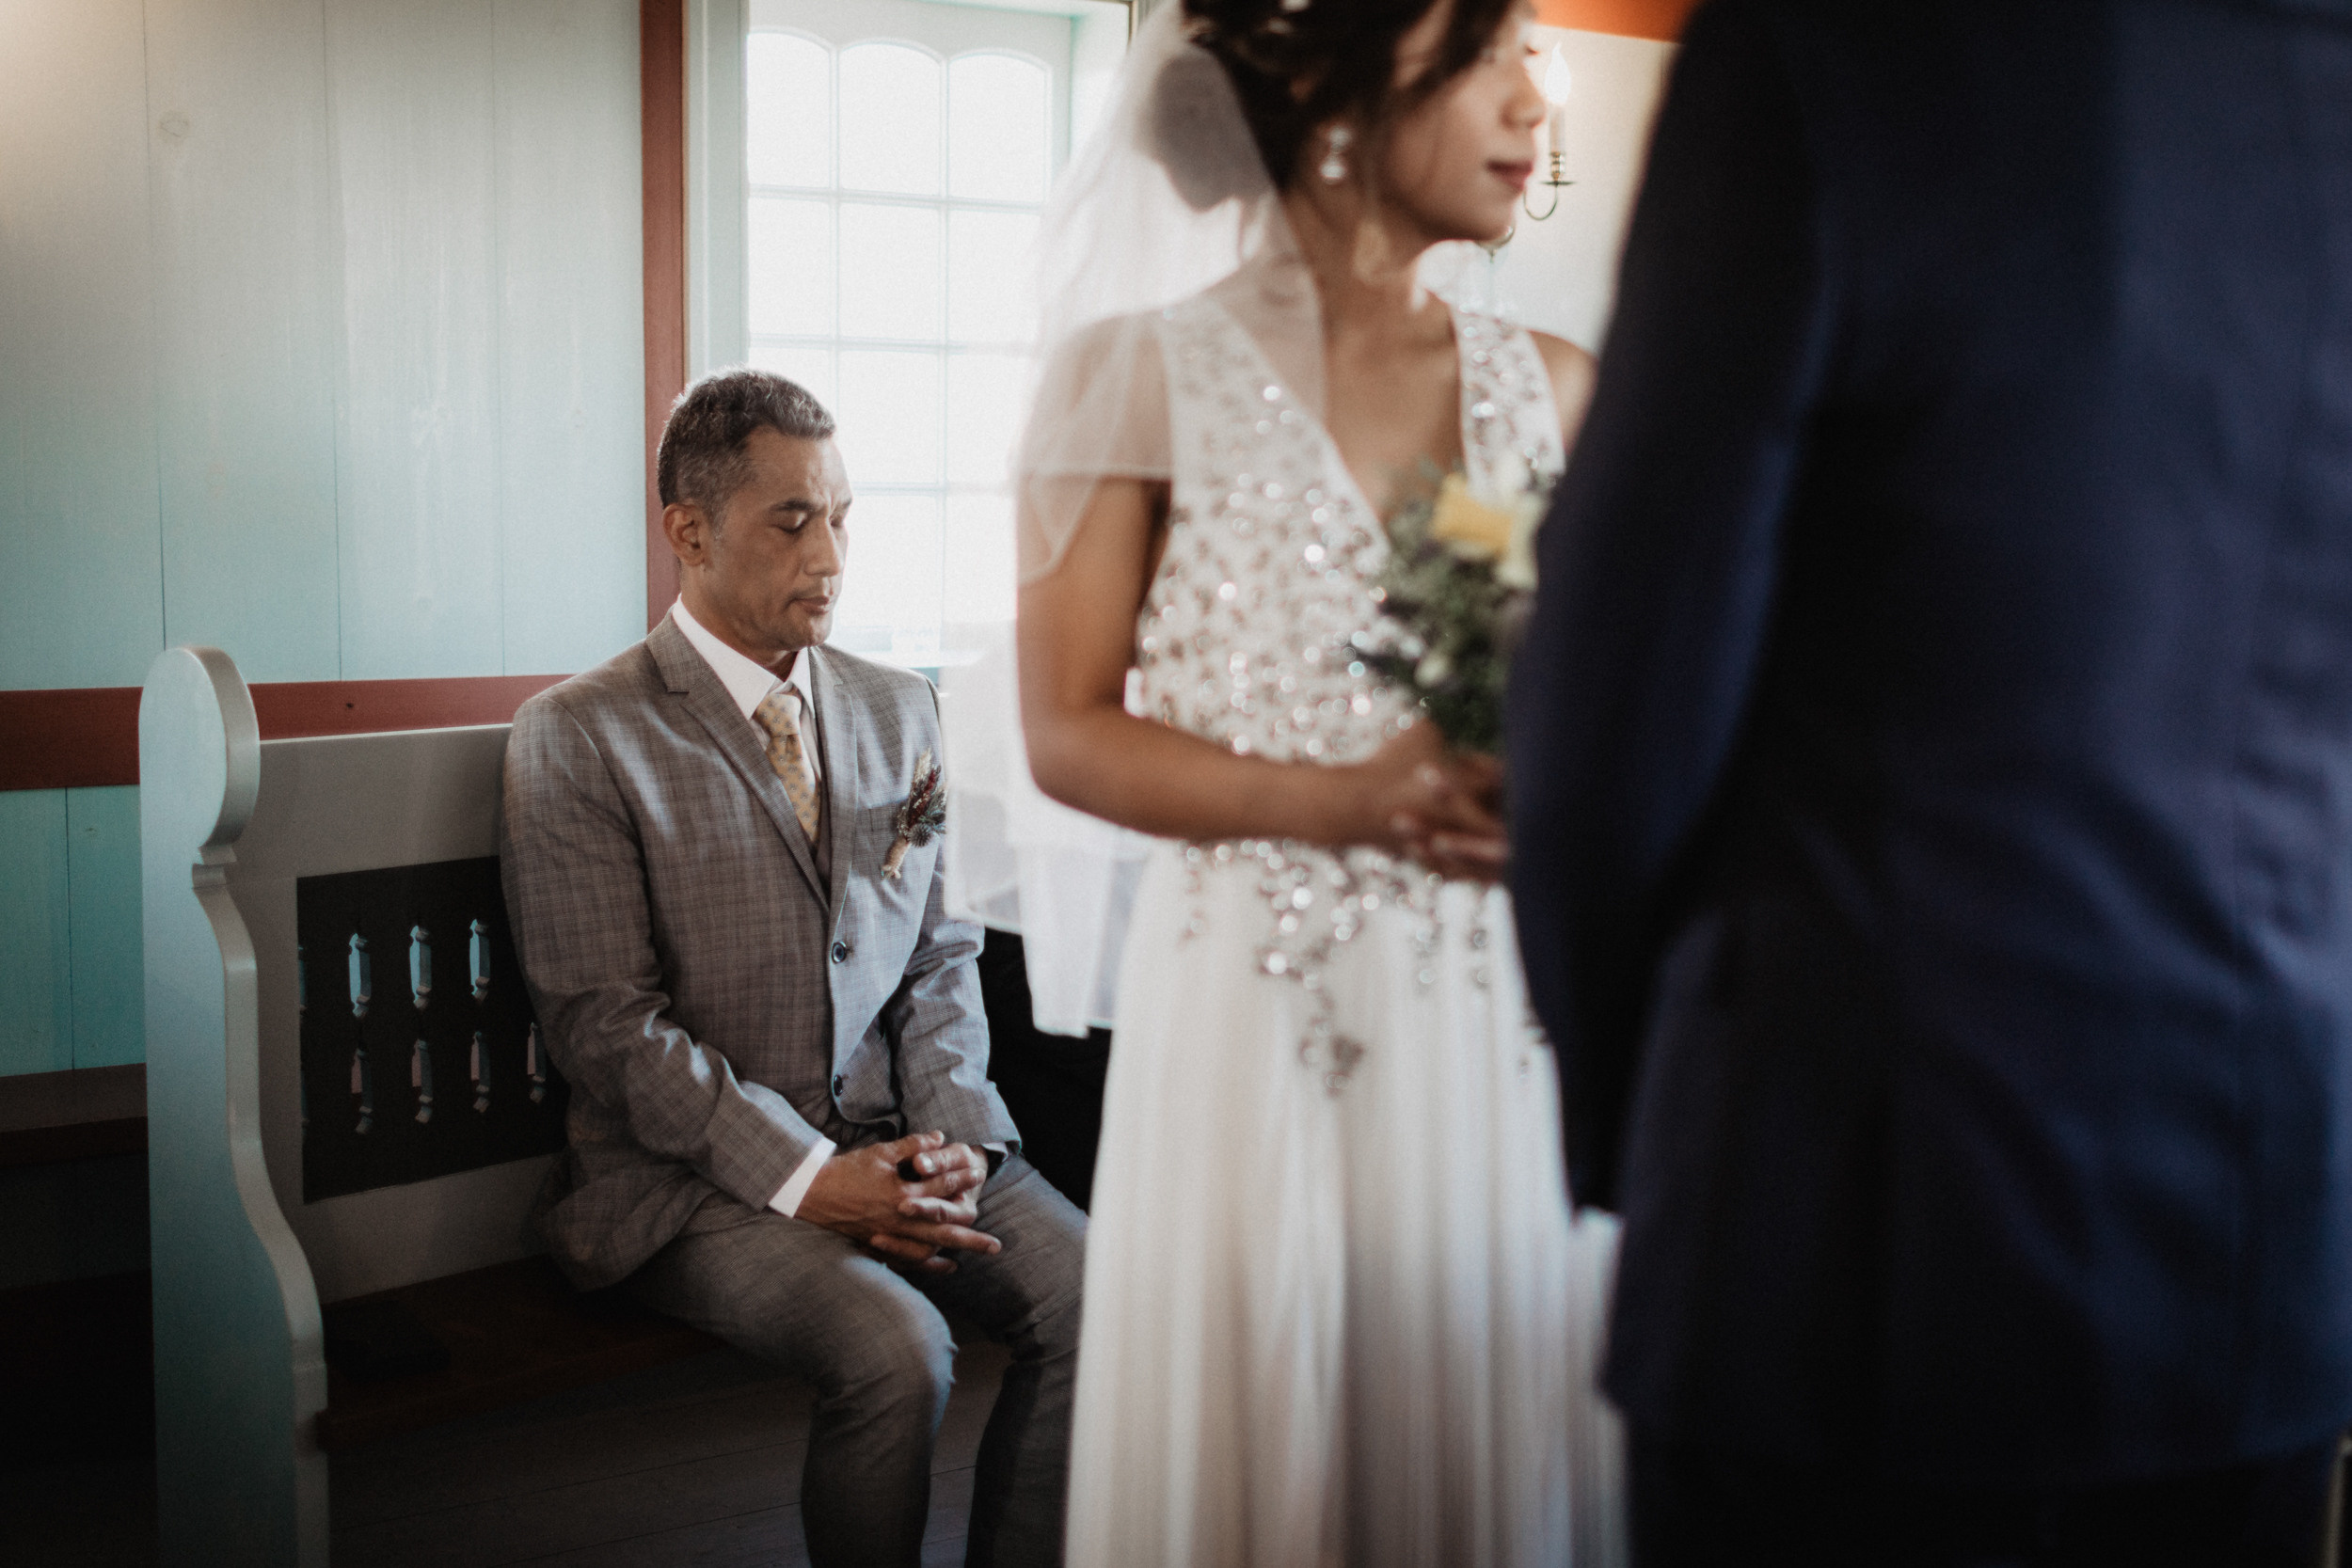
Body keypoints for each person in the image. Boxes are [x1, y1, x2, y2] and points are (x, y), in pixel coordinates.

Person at [1507, 1, 2352, 1562]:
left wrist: (1658, 1116)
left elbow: (1611, 703)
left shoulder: (1834, 55)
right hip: (2265, 1237)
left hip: (1851, 1217)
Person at [1015, 1, 1624, 1561]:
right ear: (1338, 89)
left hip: (1482, 993)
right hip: (1248, 1005)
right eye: (1488, 55)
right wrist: (1342, 801)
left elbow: (1547, 665)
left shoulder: (1547, 386)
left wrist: (1539, 770)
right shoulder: (1133, 374)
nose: (1533, 102)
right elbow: (1069, 726)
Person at [499, 371, 1088, 1568]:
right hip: (691, 1183)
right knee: (897, 1351)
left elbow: (940, 948)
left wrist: (958, 1135)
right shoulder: (579, 732)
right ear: (689, 530)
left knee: (1102, 1304)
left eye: (843, 515)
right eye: (792, 519)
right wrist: (814, 1178)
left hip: (905, 1137)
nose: (830, 552)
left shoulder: (899, 706)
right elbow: (606, 1025)